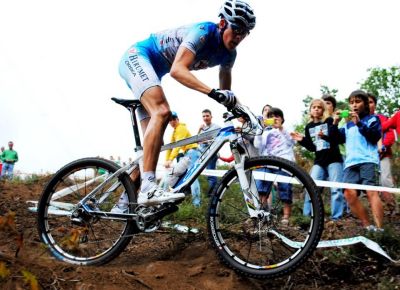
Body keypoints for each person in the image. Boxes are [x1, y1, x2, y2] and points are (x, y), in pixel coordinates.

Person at [118, 0, 256, 205]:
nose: (239, 36)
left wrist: (241, 111)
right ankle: (148, 189)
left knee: (152, 148)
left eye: (244, 32)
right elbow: (177, 70)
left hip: (152, 72)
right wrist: (212, 92)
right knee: (163, 112)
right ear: (222, 24)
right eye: (236, 28)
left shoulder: (229, 55)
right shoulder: (203, 32)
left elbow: (226, 92)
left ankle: (122, 206)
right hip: (138, 57)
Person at [332, 90, 384, 231]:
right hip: (350, 163)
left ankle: (380, 230)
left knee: (371, 192)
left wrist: (360, 124)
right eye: (351, 102)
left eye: (357, 101)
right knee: (348, 193)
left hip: (369, 161)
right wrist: (335, 123)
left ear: (365, 104)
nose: (354, 105)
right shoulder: (348, 125)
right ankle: (368, 226)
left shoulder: (373, 119)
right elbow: (336, 138)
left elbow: (374, 136)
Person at [291, 99, 344, 221]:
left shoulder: (329, 121)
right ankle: (307, 218)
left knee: (336, 189)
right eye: (313, 107)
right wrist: (302, 140)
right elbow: (313, 147)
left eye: (319, 107)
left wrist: (326, 135)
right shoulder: (309, 126)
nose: (316, 109)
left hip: (334, 159)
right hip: (319, 161)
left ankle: (336, 218)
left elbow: (336, 139)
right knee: (311, 187)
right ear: (310, 110)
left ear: (323, 110)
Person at [254, 107, 295, 225]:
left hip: (284, 164)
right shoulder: (265, 132)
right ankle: (263, 213)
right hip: (268, 163)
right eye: (271, 116)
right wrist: (260, 128)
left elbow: (292, 141)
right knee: (261, 188)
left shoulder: (287, 129)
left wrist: (281, 128)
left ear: (282, 119)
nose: (274, 118)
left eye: (277, 116)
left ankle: (286, 217)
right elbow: (257, 145)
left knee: (285, 189)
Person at [368, 93, 398, 215]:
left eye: (371, 102)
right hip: (368, 158)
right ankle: (382, 209)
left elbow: (390, 134)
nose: (369, 104)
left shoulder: (382, 118)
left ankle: (394, 207)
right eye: (367, 102)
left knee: (385, 180)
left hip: (383, 155)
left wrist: (383, 147)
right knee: (373, 183)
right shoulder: (361, 120)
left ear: (375, 104)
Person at [165, 112, 202, 207]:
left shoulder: (181, 128)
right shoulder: (175, 131)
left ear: (177, 119)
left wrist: (171, 159)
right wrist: (167, 159)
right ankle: (180, 198)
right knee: (185, 177)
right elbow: (170, 146)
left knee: (192, 178)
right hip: (188, 153)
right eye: (170, 120)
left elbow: (178, 145)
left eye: (174, 119)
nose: (172, 121)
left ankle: (196, 204)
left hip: (192, 153)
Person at [197, 109, 221, 196]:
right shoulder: (202, 128)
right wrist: (199, 130)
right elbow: (197, 141)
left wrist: (206, 141)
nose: (205, 118)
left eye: (207, 116)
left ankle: (212, 194)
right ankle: (213, 193)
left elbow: (219, 140)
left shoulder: (217, 127)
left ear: (211, 116)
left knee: (211, 174)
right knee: (208, 174)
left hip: (212, 153)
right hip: (203, 154)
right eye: (204, 116)